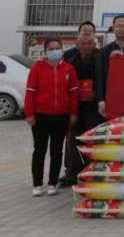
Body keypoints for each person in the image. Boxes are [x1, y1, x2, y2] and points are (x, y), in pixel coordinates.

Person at [25, 37, 78, 197]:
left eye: (57, 48)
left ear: (61, 49)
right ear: (45, 51)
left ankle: (52, 183)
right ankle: (37, 184)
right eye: (51, 49)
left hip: (61, 117)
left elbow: (73, 93)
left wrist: (73, 113)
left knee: (57, 151)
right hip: (41, 116)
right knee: (39, 151)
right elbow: (30, 92)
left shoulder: (69, 69)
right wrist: (29, 113)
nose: (55, 51)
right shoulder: (37, 68)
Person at [61, 34, 102, 187]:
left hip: (94, 108)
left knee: (93, 140)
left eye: (90, 43)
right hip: (75, 107)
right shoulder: (70, 62)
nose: (87, 46)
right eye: (83, 43)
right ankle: (72, 173)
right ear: (78, 45)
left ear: (95, 45)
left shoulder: (101, 60)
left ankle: (92, 172)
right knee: (73, 141)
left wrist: (97, 94)